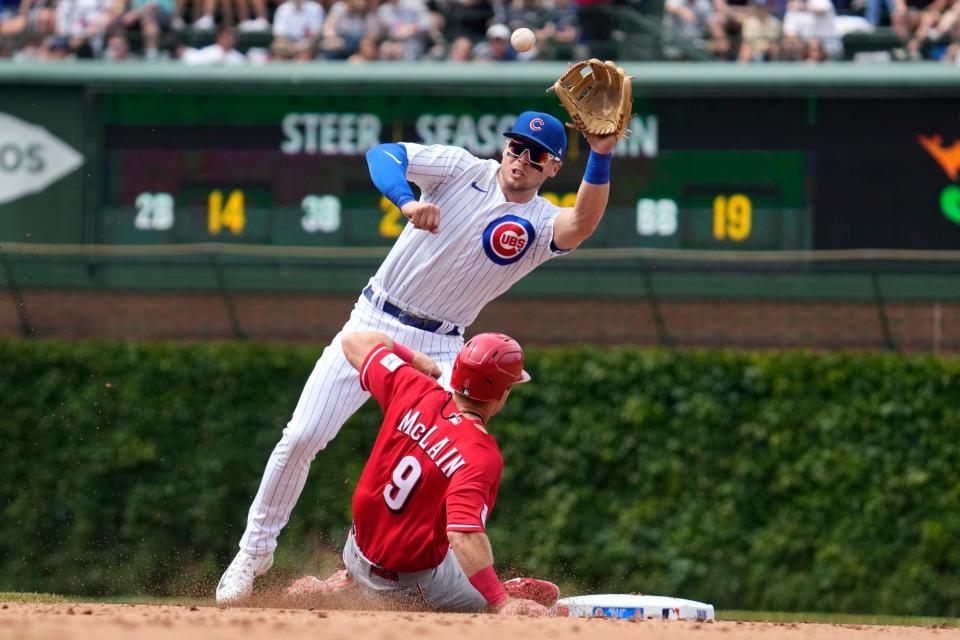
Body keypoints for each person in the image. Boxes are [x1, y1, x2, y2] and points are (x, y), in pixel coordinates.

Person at [215, 109, 619, 605]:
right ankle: (252, 555)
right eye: (517, 146)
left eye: (537, 156)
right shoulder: (462, 168)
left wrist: (600, 155)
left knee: (451, 458)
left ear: (553, 168)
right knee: (301, 436)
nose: (522, 159)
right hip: (373, 320)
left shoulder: (537, 224)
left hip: (445, 345)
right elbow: (382, 155)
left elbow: (582, 222)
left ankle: (398, 566)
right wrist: (406, 201)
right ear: (505, 146)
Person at [283, 331, 558, 615]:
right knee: (483, 600)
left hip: (355, 549)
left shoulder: (414, 387)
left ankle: (338, 585)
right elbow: (463, 536)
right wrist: (500, 601)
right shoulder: (480, 454)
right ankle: (503, 591)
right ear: (502, 393)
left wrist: (411, 357)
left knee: (438, 527)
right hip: (405, 583)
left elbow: (353, 341)